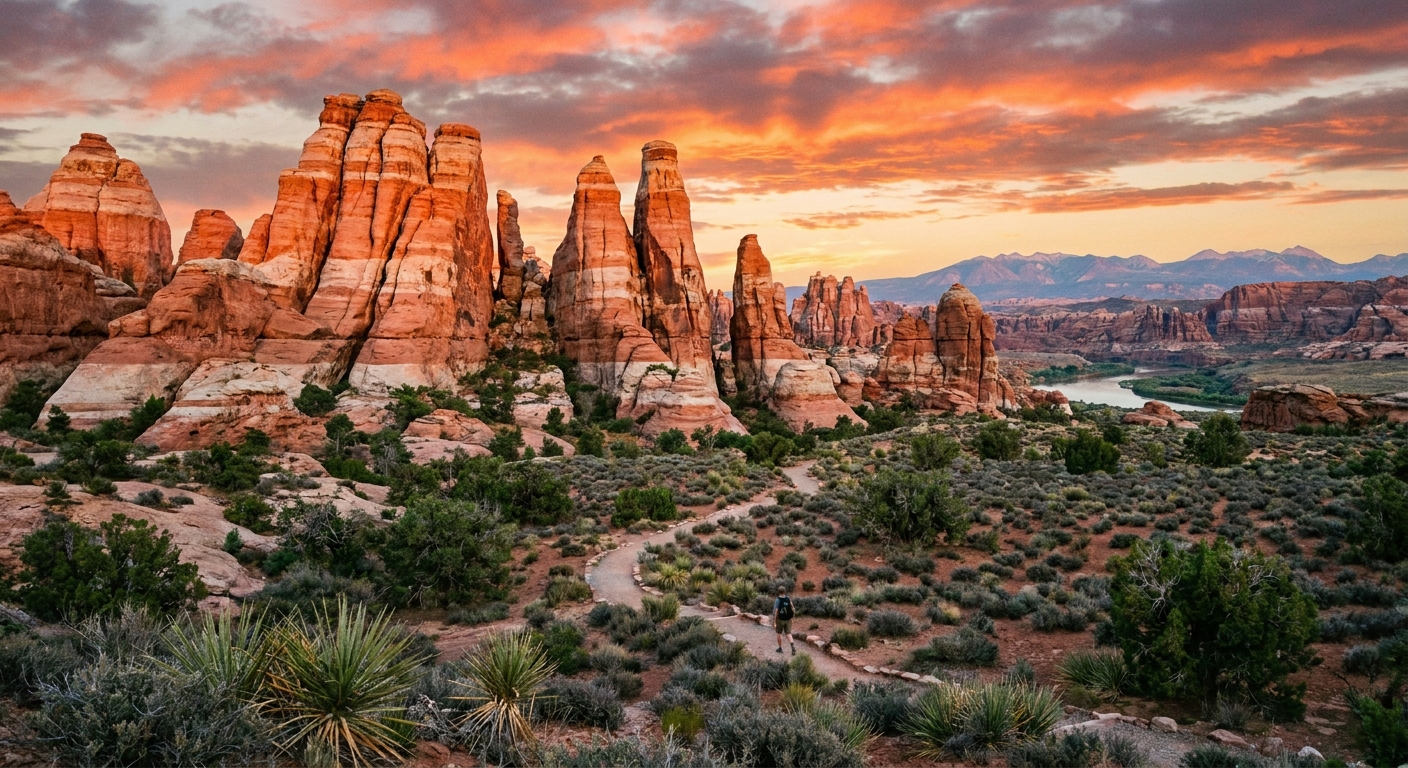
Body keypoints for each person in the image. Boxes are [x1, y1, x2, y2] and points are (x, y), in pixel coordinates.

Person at [773, 586, 795, 655]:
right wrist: (792, 617)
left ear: (778, 592)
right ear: (785, 591)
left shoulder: (778, 600)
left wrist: (774, 621)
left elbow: (776, 611)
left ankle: (780, 648)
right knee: (788, 633)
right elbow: (792, 608)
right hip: (788, 619)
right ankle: (792, 646)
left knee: (779, 633)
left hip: (780, 619)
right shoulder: (788, 598)